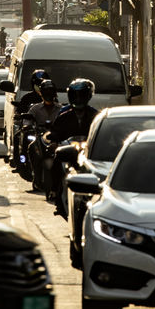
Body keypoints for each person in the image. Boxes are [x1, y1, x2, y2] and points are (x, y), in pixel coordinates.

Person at [47, 78, 99, 212]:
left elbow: (100, 135)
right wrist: (53, 143)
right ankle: (55, 191)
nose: (78, 99)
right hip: (68, 150)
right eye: (75, 95)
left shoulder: (95, 115)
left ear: (88, 96)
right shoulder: (63, 115)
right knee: (56, 162)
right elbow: (55, 132)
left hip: (88, 153)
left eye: (81, 95)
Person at [25, 79, 61, 192]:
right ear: (41, 94)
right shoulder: (35, 109)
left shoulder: (61, 109)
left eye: (51, 92)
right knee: (31, 147)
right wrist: (27, 126)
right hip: (40, 138)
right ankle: (36, 176)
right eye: (46, 92)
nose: (49, 95)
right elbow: (27, 121)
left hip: (56, 139)